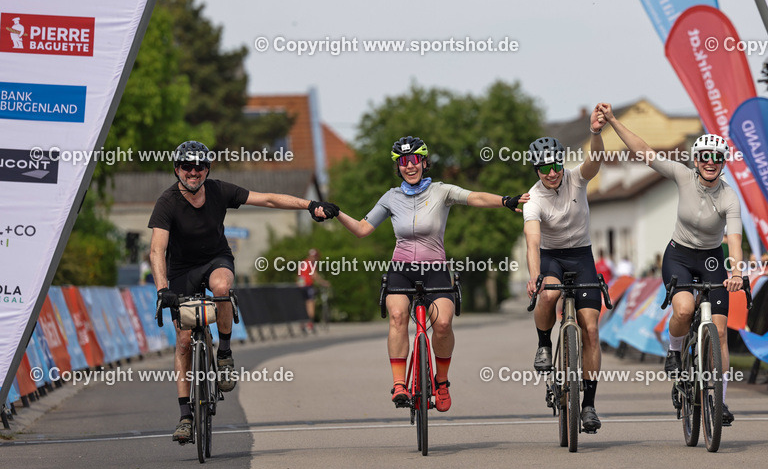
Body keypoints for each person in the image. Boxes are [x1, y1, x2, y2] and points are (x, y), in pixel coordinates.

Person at [149, 140, 339, 444]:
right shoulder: (167, 202)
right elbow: (157, 249)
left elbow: (269, 200)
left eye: (200, 166)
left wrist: (310, 204)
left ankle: (224, 353)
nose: (194, 172)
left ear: (207, 169)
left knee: (222, 287)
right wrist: (162, 290)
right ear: (177, 169)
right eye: (187, 166)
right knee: (184, 342)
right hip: (181, 270)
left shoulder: (219, 190)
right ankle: (185, 415)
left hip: (216, 259)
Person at [333, 136, 527, 412]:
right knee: (398, 316)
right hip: (401, 270)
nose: (409, 166)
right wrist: (337, 213)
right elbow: (363, 229)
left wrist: (505, 201)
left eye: (414, 160)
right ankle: (399, 384)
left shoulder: (441, 191)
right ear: (398, 166)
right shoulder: (391, 197)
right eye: (403, 162)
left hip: (435, 269)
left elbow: (475, 197)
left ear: (424, 162)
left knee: (444, 325)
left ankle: (442, 381)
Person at [598, 104, 744, 426]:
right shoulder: (682, 175)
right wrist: (613, 122)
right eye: (704, 157)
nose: (710, 163)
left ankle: (720, 401)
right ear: (695, 161)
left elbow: (733, 239)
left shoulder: (729, 197)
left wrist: (735, 271)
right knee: (684, 309)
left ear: (722, 164)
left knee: (719, 332)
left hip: (711, 258)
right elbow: (645, 152)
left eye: (716, 158)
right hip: (678, 255)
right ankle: (675, 351)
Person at [525, 105, 607, 433]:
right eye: (543, 168)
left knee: (590, 329)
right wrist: (534, 275)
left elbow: (595, 161)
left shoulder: (575, 178)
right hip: (552, 257)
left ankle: (588, 405)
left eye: (554, 165)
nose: (551, 172)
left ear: (561, 162)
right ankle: (545, 343)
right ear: (536, 169)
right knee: (548, 295)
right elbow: (532, 241)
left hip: (582, 255)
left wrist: (596, 133)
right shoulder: (533, 199)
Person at [298, 248, 329, 332]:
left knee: (303, 305)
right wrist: (323, 283)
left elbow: (300, 275)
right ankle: (309, 324)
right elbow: (314, 276)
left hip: (301, 286)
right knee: (310, 304)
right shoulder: (311, 264)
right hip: (308, 286)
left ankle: (302, 323)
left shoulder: (303, 262)